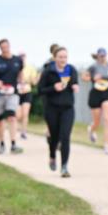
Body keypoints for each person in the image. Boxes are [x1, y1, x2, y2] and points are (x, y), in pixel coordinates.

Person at [37, 46, 79, 177]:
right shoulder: (48, 72)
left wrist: (75, 86)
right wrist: (53, 88)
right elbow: (40, 90)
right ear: (55, 58)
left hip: (67, 108)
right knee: (54, 136)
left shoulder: (71, 70)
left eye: (65, 57)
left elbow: (75, 82)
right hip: (52, 108)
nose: (63, 59)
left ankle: (64, 167)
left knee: (65, 137)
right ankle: (52, 156)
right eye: (60, 57)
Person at [83, 47, 108, 155]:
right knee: (97, 122)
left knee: (107, 119)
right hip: (95, 93)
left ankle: (107, 146)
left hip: (106, 93)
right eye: (100, 56)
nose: (102, 58)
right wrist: (93, 79)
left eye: (104, 56)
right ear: (97, 56)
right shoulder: (93, 67)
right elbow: (84, 77)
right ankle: (91, 130)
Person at [17, 50, 39, 140]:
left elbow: (34, 82)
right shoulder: (15, 67)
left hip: (27, 92)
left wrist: (36, 78)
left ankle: (24, 132)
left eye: (23, 56)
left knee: (25, 113)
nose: (22, 57)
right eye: (20, 56)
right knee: (18, 115)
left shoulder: (30, 67)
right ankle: (16, 129)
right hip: (17, 92)